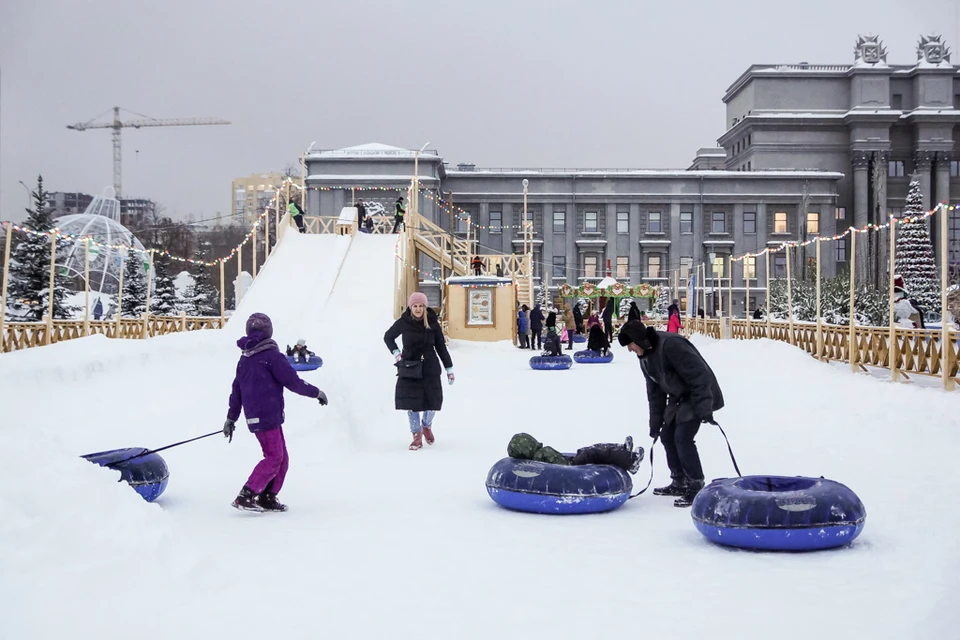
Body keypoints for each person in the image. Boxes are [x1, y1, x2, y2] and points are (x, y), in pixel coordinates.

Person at [223, 313, 328, 512]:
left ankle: (267, 496)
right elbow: (292, 381)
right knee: (274, 457)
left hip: (259, 416)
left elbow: (236, 391)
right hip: (267, 415)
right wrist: (316, 393)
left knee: (281, 458)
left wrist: (231, 418)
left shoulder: (245, 359)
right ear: (268, 332)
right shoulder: (272, 356)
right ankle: (247, 494)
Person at [618, 320, 724, 508]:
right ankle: (678, 480)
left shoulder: (671, 345)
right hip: (678, 398)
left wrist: (704, 407)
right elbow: (655, 395)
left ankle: (695, 485)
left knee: (683, 437)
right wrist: (655, 424)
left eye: (630, 345)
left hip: (697, 395)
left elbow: (699, 376)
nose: (629, 350)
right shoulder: (645, 358)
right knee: (667, 436)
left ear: (638, 340)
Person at [383, 292, 454, 451]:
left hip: (430, 366)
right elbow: (388, 337)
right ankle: (416, 436)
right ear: (410, 307)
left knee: (433, 401)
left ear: (424, 307)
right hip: (409, 366)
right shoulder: (404, 322)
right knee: (412, 403)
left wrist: (449, 368)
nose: (417, 309)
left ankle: (426, 426)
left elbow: (441, 347)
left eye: (420, 306)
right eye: (415, 306)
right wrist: (396, 353)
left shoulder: (432, 323)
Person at [507, 432, 644, 475]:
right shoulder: (538, 457)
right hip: (571, 468)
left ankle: (620, 448)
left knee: (590, 449)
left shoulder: (539, 453)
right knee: (593, 453)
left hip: (570, 463)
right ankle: (631, 461)